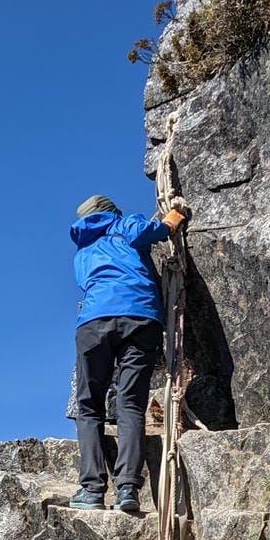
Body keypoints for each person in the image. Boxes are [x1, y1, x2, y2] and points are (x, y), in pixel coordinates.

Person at [69, 193, 187, 512]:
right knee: (130, 402)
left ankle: (92, 490)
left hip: (95, 320)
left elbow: (85, 281)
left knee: (89, 406)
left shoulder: (83, 248)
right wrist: (170, 221)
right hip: (141, 316)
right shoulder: (126, 222)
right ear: (111, 211)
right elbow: (145, 233)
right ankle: (127, 490)